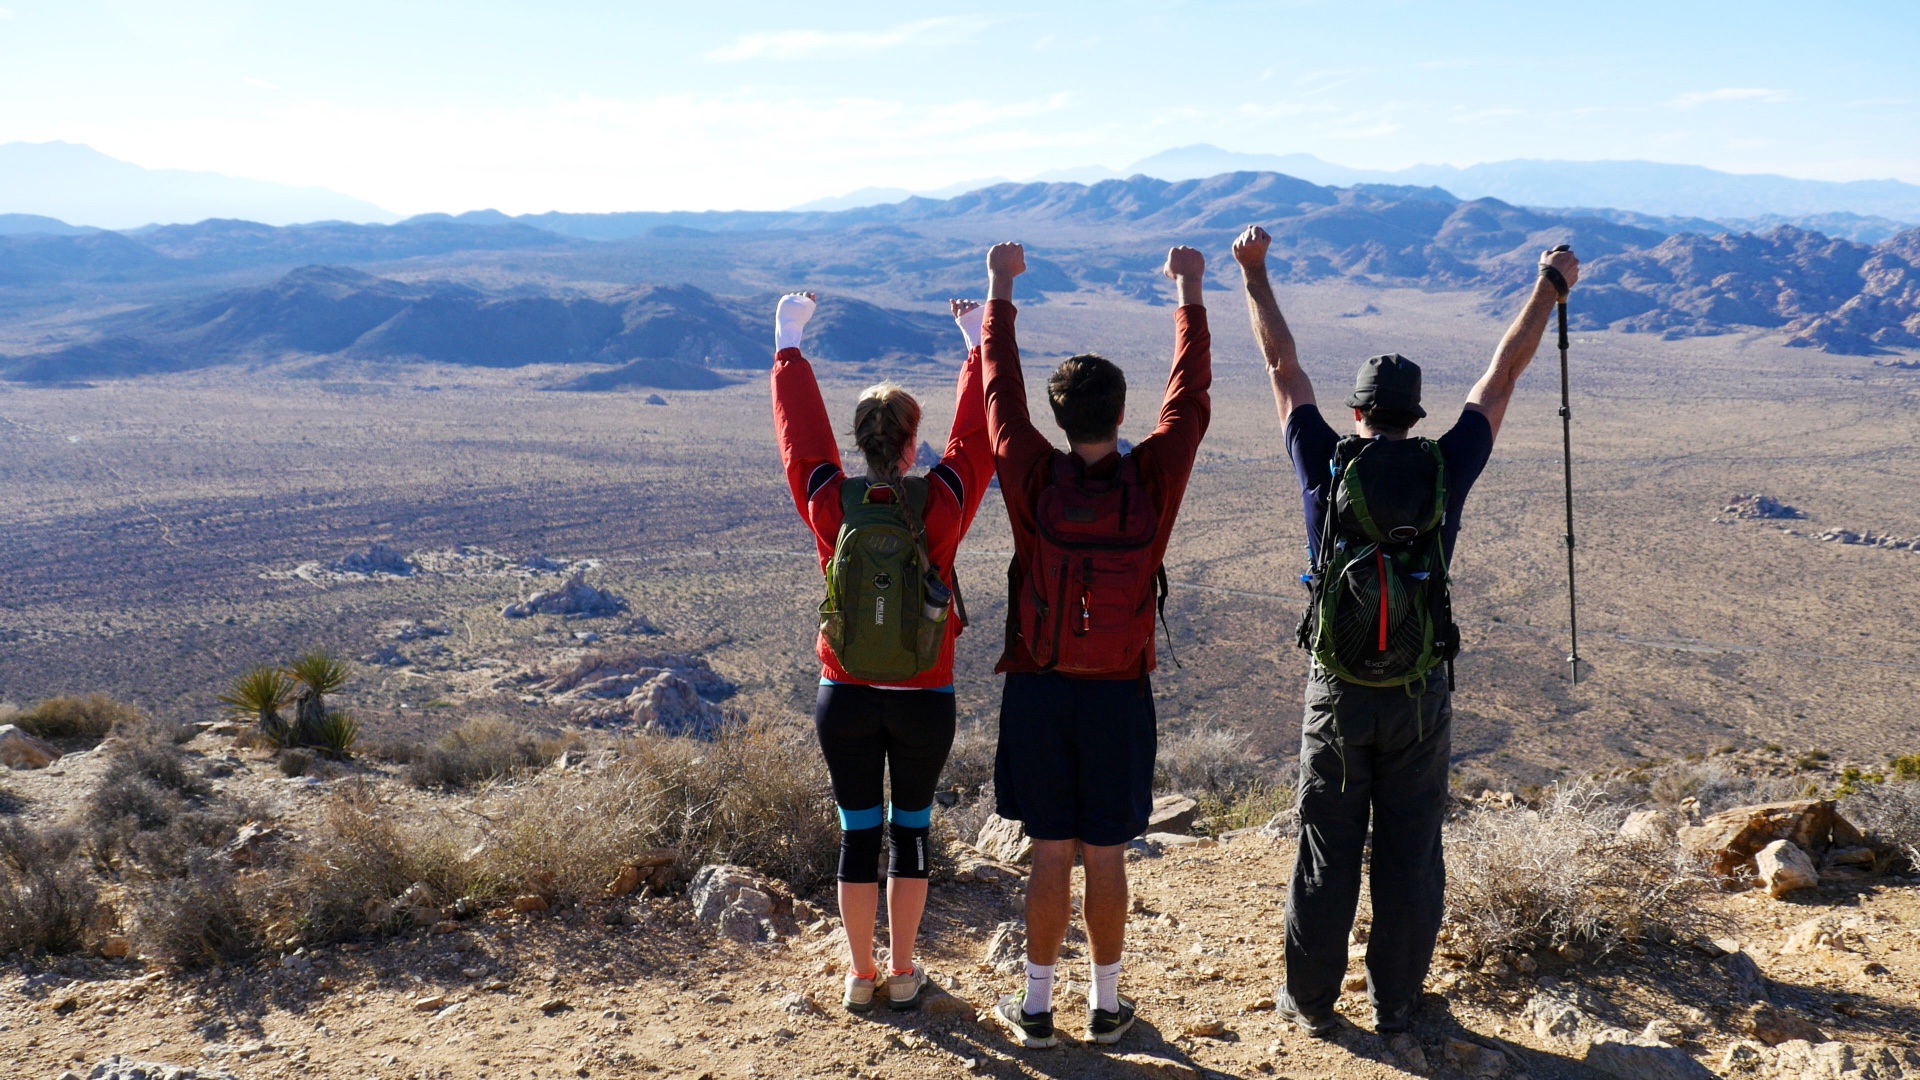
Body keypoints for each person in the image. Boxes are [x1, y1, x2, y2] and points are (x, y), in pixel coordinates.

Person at [1231, 224, 1581, 1037]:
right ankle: (1397, 1005)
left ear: (1357, 412)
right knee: (1410, 851)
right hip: (1419, 691)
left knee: (1327, 846)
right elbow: (1502, 375)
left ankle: (1311, 1003)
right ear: (1415, 414)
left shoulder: (1325, 459)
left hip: (1338, 689)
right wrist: (1549, 288)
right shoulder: (1444, 465)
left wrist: (1254, 274)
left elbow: (1283, 367)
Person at [978, 241, 1212, 1049]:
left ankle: (1037, 1010)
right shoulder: (1153, 478)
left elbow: (996, 390)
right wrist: (1188, 291)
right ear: (1119, 413)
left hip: (1040, 686)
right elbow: (1190, 401)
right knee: (1105, 855)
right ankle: (1106, 1007)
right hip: (1119, 688)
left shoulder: (1032, 475)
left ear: (1058, 414)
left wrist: (999, 291)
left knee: (1050, 855)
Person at [770, 291, 996, 1014]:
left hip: (844, 695)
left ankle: (859, 975)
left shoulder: (828, 501)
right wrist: (975, 346)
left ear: (860, 441)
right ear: (909, 444)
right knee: (914, 833)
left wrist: (789, 345)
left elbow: (799, 444)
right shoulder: (943, 500)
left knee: (857, 834)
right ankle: (904, 971)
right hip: (924, 696)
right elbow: (976, 441)